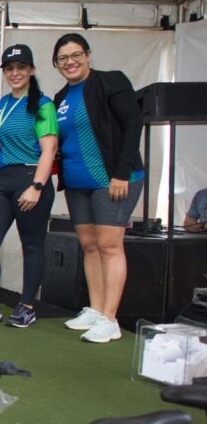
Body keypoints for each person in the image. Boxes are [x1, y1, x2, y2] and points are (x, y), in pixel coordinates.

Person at [52, 33, 145, 343]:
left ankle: (110, 318)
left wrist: (121, 173)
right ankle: (95, 309)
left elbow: (133, 124)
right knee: (89, 246)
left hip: (113, 180)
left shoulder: (111, 81)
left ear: (88, 55)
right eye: (63, 58)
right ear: (56, 64)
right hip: (78, 184)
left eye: (76, 55)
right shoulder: (60, 98)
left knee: (109, 245)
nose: (70, 62)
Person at [0, 44, 58, 328]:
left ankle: (27, 306)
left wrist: (37, 186)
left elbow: (49, 149)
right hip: (0, 181)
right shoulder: (2, 104)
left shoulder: (43, 104)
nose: (15, 73)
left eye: (21, 68)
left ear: (31, 70)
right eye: (10, 69)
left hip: (30, 178)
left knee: (31, 245)